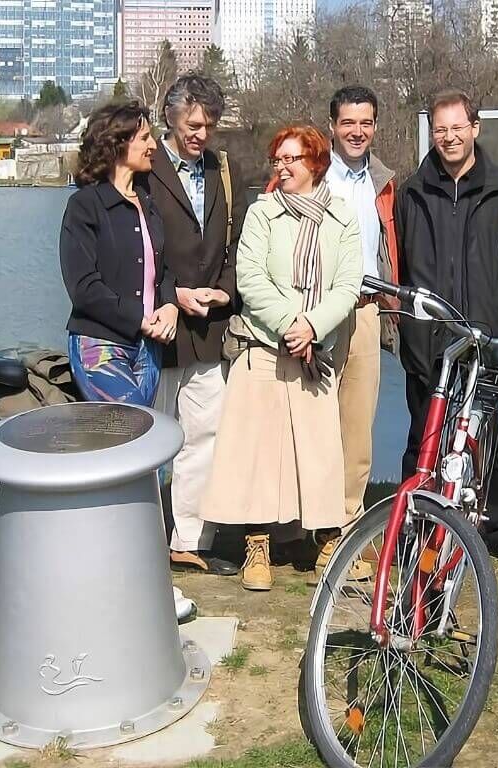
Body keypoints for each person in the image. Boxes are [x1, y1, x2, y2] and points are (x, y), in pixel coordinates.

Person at [200, 125, 363, 591]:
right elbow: (250, 280)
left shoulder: (342, 216)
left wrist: (313, 327)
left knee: (320, 451)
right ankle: (257, 545)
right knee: (259, 453)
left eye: (292, 158)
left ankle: (328, 539)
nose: (283, 167)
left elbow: (348, 285)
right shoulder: (261, 213)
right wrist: (294, 323)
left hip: (316, 351)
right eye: (278, 159)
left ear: (316, 163)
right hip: (264, 347)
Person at [396, 89, 498, 569]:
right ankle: (418, 524)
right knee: (424, 437)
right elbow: (405, 264)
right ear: (431, 133)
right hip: (429, 338)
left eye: (458, 127)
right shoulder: (412, 191)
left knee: (488, 437)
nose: (449, 137)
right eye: (440, 129)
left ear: (475, 128)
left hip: (484, 339)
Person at [148, 74, 249, 578]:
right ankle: (140, 538)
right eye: (193, 124)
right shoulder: (146, 167)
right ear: (170, 117)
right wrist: (172, 295)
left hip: (208, 326)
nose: (201, 133)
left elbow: (234, 243)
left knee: (203, 436)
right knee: (149, 440)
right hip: (158, 327)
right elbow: (137, 250)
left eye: (208, 125)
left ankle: (188, 540)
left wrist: (226, 291)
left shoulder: (222, 169)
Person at [318, 85, 401, 579]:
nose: (357, 131)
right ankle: (312, 526)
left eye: (365, 122)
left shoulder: (383, 181)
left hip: (367, 312)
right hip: (319, 316)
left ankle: (345, 531)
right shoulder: (310, 174)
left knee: (357, 430)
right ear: (333, 126)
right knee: (314, 425)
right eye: (348, 122)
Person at [60, 100, 179, 406]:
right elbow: (83, 288)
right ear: (117, 144)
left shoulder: (148, 204)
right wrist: (138, 318)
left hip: (148, 347)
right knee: (135, 435)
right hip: (100, 345)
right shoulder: (85, 206)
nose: (153, 145)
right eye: (144, 138)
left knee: (131, 443)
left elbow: (162, 272)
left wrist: (171, 306)